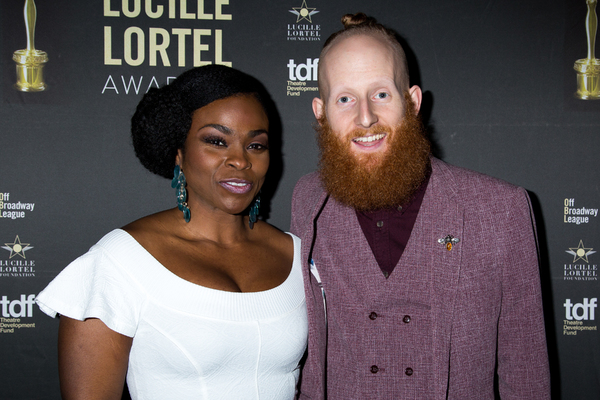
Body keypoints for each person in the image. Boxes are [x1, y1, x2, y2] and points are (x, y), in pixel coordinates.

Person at [291, 13, 550, 399]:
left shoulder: (502, 209)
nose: (365, 117)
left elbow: (525, 371)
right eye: (345, 99)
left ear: (411, 102)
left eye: (381, 94)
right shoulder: (308, 199)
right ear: (321, 112)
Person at [36, 65, 307, 400]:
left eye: (256, 145)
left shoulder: (295, 254)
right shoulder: (120, 261)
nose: (239, 160)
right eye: (216, 141)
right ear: (178, 152)